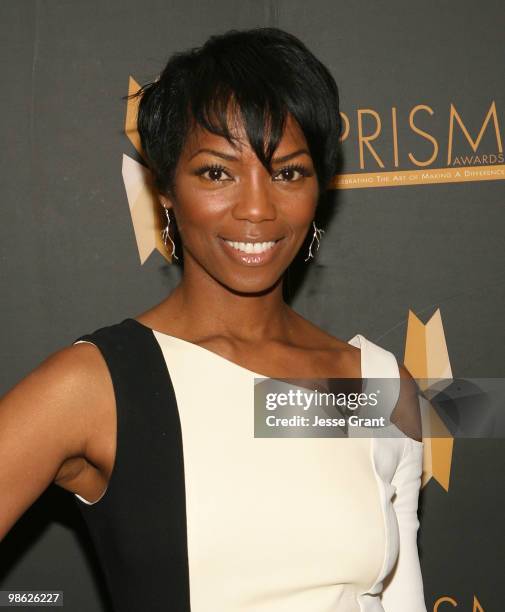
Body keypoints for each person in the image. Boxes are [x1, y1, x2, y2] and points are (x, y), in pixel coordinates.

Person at [0, 27, 426, 612]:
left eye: (288, 172)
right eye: (217, 173)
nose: (257, 207)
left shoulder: (377, 386)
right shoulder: (99, 385)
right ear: (166, 189)